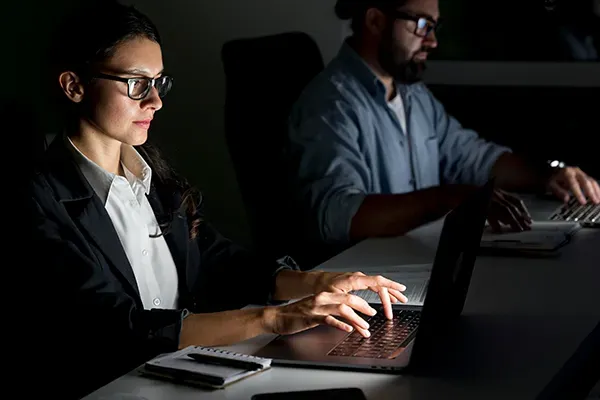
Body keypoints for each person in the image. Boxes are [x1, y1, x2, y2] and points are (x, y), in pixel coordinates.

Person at [31, 2, 408, 398]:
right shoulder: (37, 200)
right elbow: (120, 326)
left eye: (160, 82)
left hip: (173, 379)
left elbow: (217, 261)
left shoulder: (150, 177)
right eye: (137, 84)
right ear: (74, 86)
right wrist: (274, 319)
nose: (156, 101)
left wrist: (319, 281)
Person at [285, 0, 600, 250]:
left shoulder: (413, 94)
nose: (433, 41)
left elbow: (473, 157)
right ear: (375, 21)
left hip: (415, 259)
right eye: (423, 25)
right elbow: (337, 217)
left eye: (435, 27)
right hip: (361, 282)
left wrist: (549, 173)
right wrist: (444, 199)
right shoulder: (330, 104)